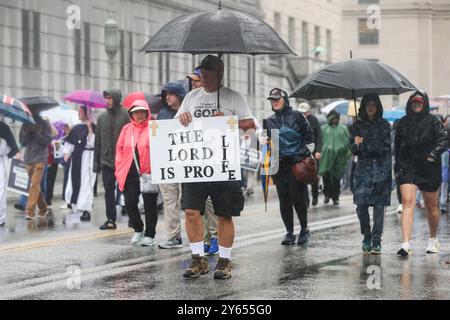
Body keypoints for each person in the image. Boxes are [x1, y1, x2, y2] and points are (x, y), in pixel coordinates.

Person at [176, 55, 256, 279]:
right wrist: (182, 118)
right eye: (203, 72)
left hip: (224, 163)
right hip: (196, 163)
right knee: (191, 211)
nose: (205, 76)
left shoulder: (233, 97)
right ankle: (198, 259)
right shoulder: (192, 97)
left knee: (224, 214)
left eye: (210, 72)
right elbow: (176, 124)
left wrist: (229, 122)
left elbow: (251, 125)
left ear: (220, 73)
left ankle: (224, 261)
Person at [395, 91, 448, 256]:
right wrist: (399, 166)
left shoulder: (433, 121)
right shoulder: (403, 122)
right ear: (410, 104)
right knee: (407, 202)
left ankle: (433, 239)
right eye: (414, 103)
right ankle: (405, 243)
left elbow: (443, 139)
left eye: (419, 103)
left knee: (431, 206)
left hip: (428, 166)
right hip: (408, 167)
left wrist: (433, 155)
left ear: (424, 104)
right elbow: (397, 146)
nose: (416, 105)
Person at [264, 89, 314, 245]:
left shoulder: (297, 116)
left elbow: (309, 136)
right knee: (284, 200)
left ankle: (304, 229)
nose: (274, 101)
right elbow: (268, 144)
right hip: (279, 166)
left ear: (285, 99)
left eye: (277, 99)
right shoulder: (269, 120)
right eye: (272, 99)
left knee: (297, 198)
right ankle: (289, 232)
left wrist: (301, 153)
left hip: (296, 164)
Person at [350, 94, 391, 254]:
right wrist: (356, 144)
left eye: (374, 104)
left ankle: (376, 239)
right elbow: (353, 150)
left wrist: (365, 146)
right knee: (361, 206)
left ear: (378, 107)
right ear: (364, 106)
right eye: (368, 104)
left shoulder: (385, 125)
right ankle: (366, 235)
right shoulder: (356, 126)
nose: (371, 107)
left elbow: (385, 147)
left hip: (380, 170)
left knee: (379, 207)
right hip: (363, 172)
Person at [116, 100, 159, 246]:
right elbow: (120, 149)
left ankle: (150, 234)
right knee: (129, 203)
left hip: (149, 172)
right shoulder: (126, 129)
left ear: (147, 112)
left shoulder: (154, 127)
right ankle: (138, 228)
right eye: (136, 112)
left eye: (142, 111)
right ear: (131, 114)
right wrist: (119, 169)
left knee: (150, 205)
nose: (139, 114)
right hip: (130, 172)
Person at [94, 89, 130, 230]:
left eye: (110, 98)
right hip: (106, 162)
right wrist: (96, 164)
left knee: (128, 191)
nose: (107, 100)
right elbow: (98, 142)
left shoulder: (126, 115)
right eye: (106, 98)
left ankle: (132, 218)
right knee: (108, 191)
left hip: (124, 161)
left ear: (116, 98)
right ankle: (110, 220)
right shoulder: (101, 118)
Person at [157, 81, 187, 249]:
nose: (167, 97)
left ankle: (204, 236)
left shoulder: (191, 112)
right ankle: (173, 236)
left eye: (171, 94)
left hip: (188, 163)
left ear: (180, 96)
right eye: (166, 94)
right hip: (168, 164)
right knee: (170, 201)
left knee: (192, 202)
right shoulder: (162, 115)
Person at [63, 106, 96, 222]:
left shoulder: (94, 127)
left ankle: (86, 208)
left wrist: (90, 129)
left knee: (87, 183)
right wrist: (66, 154)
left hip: (88, 158)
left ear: (86, 114)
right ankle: (76, 205)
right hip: (77, 159)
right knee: (75, 181)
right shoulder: (76, 128)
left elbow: (93, 143)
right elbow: (70, 143)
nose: (78, 113)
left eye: (80, 112)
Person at [19, 109, 52, 220]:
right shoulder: (25, 123)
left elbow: (47, 141)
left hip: (40, 158)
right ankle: (43, 209)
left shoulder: (45, 124)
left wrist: (37, 133)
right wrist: (28, 132)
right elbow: (22, 142)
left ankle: (30, 211)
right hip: (28, 159)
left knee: (34, 185)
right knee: (35, 186)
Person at [319, 110, 351, 205]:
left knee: (336, 179)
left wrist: (344, 151)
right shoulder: (324, 129)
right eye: (334, 118)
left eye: (337, 118)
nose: (335, 120)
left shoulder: (343, 129)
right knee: (326, 178)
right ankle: (327, 195)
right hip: (326, 158)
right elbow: (320, 140)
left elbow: (347, 141)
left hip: (338, 159)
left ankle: (335, 197)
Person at [298, 102, 323, 206]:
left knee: (313, 176)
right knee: (302, 175)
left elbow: (319, 136)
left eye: (305, 112)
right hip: (301, 152)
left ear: (308, 112)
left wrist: (318, 150)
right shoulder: (297, 120)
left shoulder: (314, 120)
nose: (303, 114)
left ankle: (315, 195)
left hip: (313, 152)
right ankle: (305, 199)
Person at [0, 120, 20, 227]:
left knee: (1, 189)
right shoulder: (4, 127)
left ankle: (0, 217)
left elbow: (8, 148)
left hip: (1, 161)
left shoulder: (3, 128)